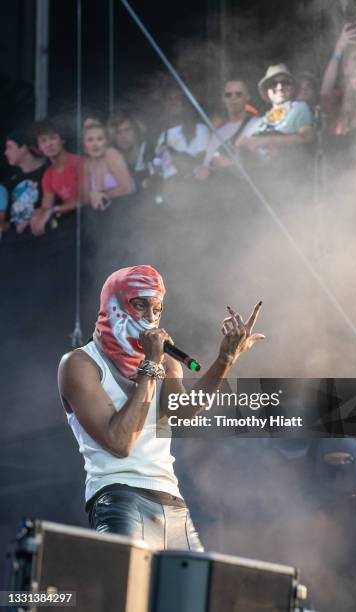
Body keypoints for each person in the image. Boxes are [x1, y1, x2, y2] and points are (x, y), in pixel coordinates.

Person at [58, 265, 264, 549]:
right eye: (140, 305)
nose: (150, 318)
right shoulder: (80, 364)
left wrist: (225, 359)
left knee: (192, 590)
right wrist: (151, 364)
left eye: (157, 309)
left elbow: (183, 412)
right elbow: (120, 442)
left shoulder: (165, 362)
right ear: (112, 304)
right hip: (118, 495)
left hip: (171, 499)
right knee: (131, 590)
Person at [236, 64, 314, 162]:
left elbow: (307, 137)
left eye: (285, 82)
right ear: (267, 91)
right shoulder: (262, 121)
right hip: (261, 171)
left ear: (292, 87)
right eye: (273, 83)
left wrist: (268, 140)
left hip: (289, 170)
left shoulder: (299, 108)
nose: (280, 87)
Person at [195, 77, 259, 181]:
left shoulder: (258, 124)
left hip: (247, 189)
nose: (233, 98)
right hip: (222, 189)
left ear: (247, 97)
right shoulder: (217, 133)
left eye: (238, 94)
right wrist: (201, 171)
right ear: (223, 99)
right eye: (228, 95)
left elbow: (262, 166)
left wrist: (230, 165)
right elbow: (206, 165)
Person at [29, 119, 82, 236]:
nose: (49, 144)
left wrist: (53, 210)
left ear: (62, 140)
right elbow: (45, 207)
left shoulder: (79, 163)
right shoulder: (48, 174)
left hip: (92, 220)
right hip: (72, 226)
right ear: (39, 148)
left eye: (53, 138)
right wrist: (35, 216)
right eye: (43, 140)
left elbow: (85, 199)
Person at [320, 22, 356, 134]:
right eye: (354, 59)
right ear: (346, 68)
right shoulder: (339, 98)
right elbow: (325, 91)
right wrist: (340, 47)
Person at [81, 118, 135, 210]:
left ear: (106, 142)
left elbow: (129, 187)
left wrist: (104, 194)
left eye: (100, 139)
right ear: (84, 146)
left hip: (123, 209)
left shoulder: (111, 155)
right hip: (101, 214)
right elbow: (85, 199)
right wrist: (92, 195)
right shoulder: (86, 164)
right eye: (90, 140)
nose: (95, 144)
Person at [2, 129, 48, 233]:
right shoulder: (11, 182)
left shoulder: (47, 173)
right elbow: (10, 222)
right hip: (14, 244)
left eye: (9, 147)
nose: (5, 152)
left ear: (23, 148)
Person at [108, 111, 149, 187]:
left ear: (136, 131)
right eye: (118, 132)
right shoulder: (113, 165)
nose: (123, 136)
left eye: (127, 130)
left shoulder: (149, 156)